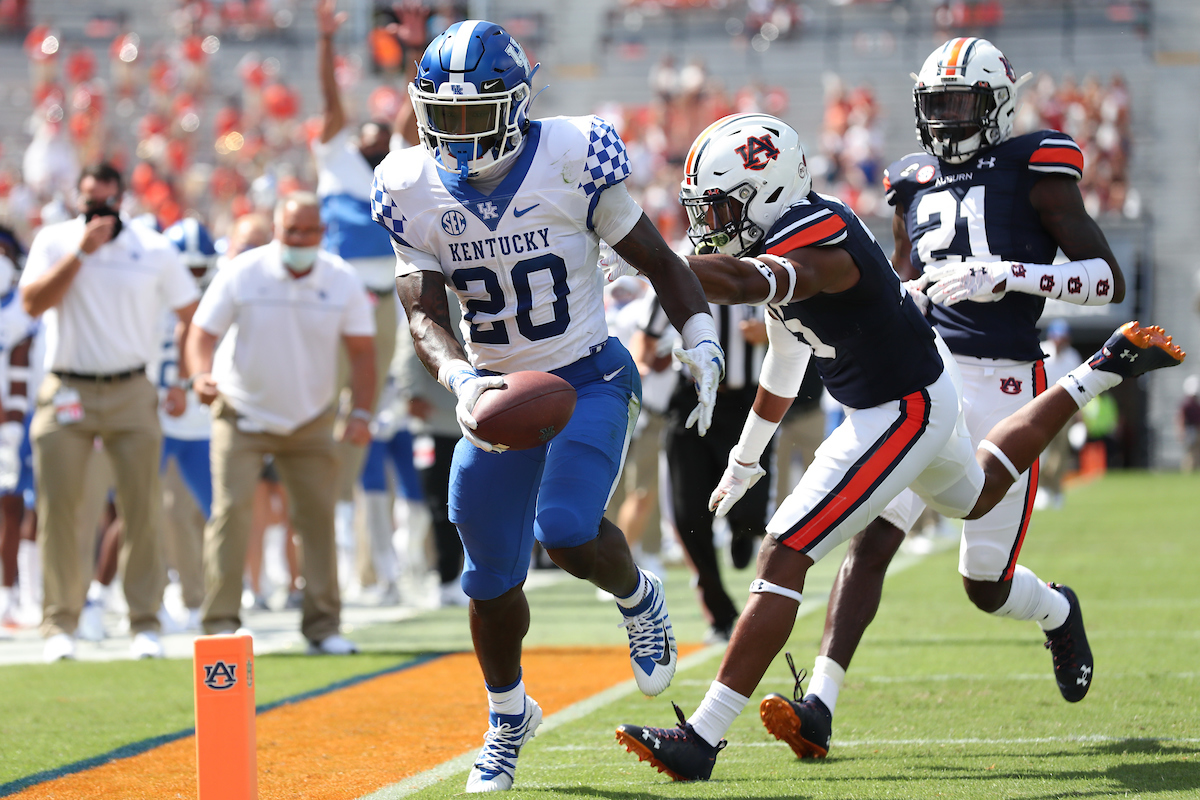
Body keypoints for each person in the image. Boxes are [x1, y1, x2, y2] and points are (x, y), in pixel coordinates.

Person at [613, 112, 1184, 781]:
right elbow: (785, 360)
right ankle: (1099, 371)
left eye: (722, 207)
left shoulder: (817, 238)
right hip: (911, 398)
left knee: (787, 551)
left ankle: (702, 739)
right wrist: (745, 458)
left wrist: (645, 260)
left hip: (900, 408)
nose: (711, 222)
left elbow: (741, 285)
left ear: (766, 192)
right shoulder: (787, 229)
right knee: (973, 497)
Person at [372, 20, 723, 792]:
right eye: (445, 117)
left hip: (590, 374)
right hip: (497, 391)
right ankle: (507, 716)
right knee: (488, 578)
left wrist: (701, 337)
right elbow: (424, 311)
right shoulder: (408, 185)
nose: (458, 136)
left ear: (518, 104)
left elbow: (661, 261)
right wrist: (462, 378)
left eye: (475, 115)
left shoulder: (572, 155)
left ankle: (639, 597)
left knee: (563, 530)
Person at [767, 36, 1141, 761]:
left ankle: (1057, 610)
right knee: (876, 534)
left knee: (985, 583)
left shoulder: (1036, 168)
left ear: (996, 105)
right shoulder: (912, 178)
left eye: (959, 103)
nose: (944, 120)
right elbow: (902, 276)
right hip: (926, 374)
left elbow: (1106, 279)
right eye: (933, 104)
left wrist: (1010, 275)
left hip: (1005, 380)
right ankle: (820, 703)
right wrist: (900, 291)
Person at [20, 162, 201, 662]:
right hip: (67, 386)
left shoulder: (153, 249)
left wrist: (180, 379)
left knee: (142, 509)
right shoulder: (55, 241)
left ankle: (144, 621)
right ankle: (60, 622)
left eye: (104, 200)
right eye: (87, 201)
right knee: (60, 509)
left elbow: (191, 314)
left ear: (122, 199)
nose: (96, 209)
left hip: (131, 387)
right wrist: (82, 252)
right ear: (78, 201)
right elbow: (32, 303)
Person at [186, 191, 376, 655]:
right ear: (277, 230)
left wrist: (362, 412)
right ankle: (220, 623)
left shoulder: (342, 279)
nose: (301, 239)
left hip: (310, 416)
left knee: (316, 520)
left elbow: (363, 353)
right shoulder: (242, 272)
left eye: (310, 231)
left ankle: (323, 626)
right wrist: (199, 374)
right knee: (232, 512)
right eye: (292, 231)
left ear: (322, 233)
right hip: (241, 410)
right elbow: (201, 333)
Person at [313, 0, 405, 580]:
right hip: (335, 299)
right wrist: (326, 43)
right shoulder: (335, 161)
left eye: (381, 129)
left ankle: (376, 547)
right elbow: (330, 104)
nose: (372, 134)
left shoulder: (397, 165)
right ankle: (334, 527)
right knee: (329, 408)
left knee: (377, 415)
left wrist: (418, 55)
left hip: (387, 302)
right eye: (363, 129)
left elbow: (413, 118)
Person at [1039, 319, 1083, 507]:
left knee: (1061, 453)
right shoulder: (1041, 351)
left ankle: (1055, 489)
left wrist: (1079, 414)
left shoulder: (1073, 357)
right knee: (1040, 453)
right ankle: (1042, 488)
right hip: (1040, 409)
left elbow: (1079, 385)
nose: (1060, 342)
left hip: (1065, 410)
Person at [1180, 375, 1200, 472]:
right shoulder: (1187, 404)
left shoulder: (1195, 403)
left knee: (1196, 452)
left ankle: (1193, 470)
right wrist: (1182, 431)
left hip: (1196, 430)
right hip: (1190, 430)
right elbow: (1181, 418)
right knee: (1190, 453)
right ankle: (1188, 471)